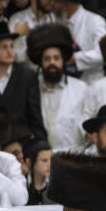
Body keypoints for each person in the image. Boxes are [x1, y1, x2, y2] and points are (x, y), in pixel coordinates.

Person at [0, 21, 46, 141]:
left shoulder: (27, 76)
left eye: (12, 46)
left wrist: (42, 143)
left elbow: (35, 116)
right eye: (4, 47)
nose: (10, 51)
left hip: (20, 141)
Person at [26, 23, 86, 152]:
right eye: (47, 59)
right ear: (41, 63)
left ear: (63, 61)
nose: (52, 63)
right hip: (43, 159)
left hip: (75, 156)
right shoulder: (32, 91)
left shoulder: (81, 88)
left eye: (56, 58)